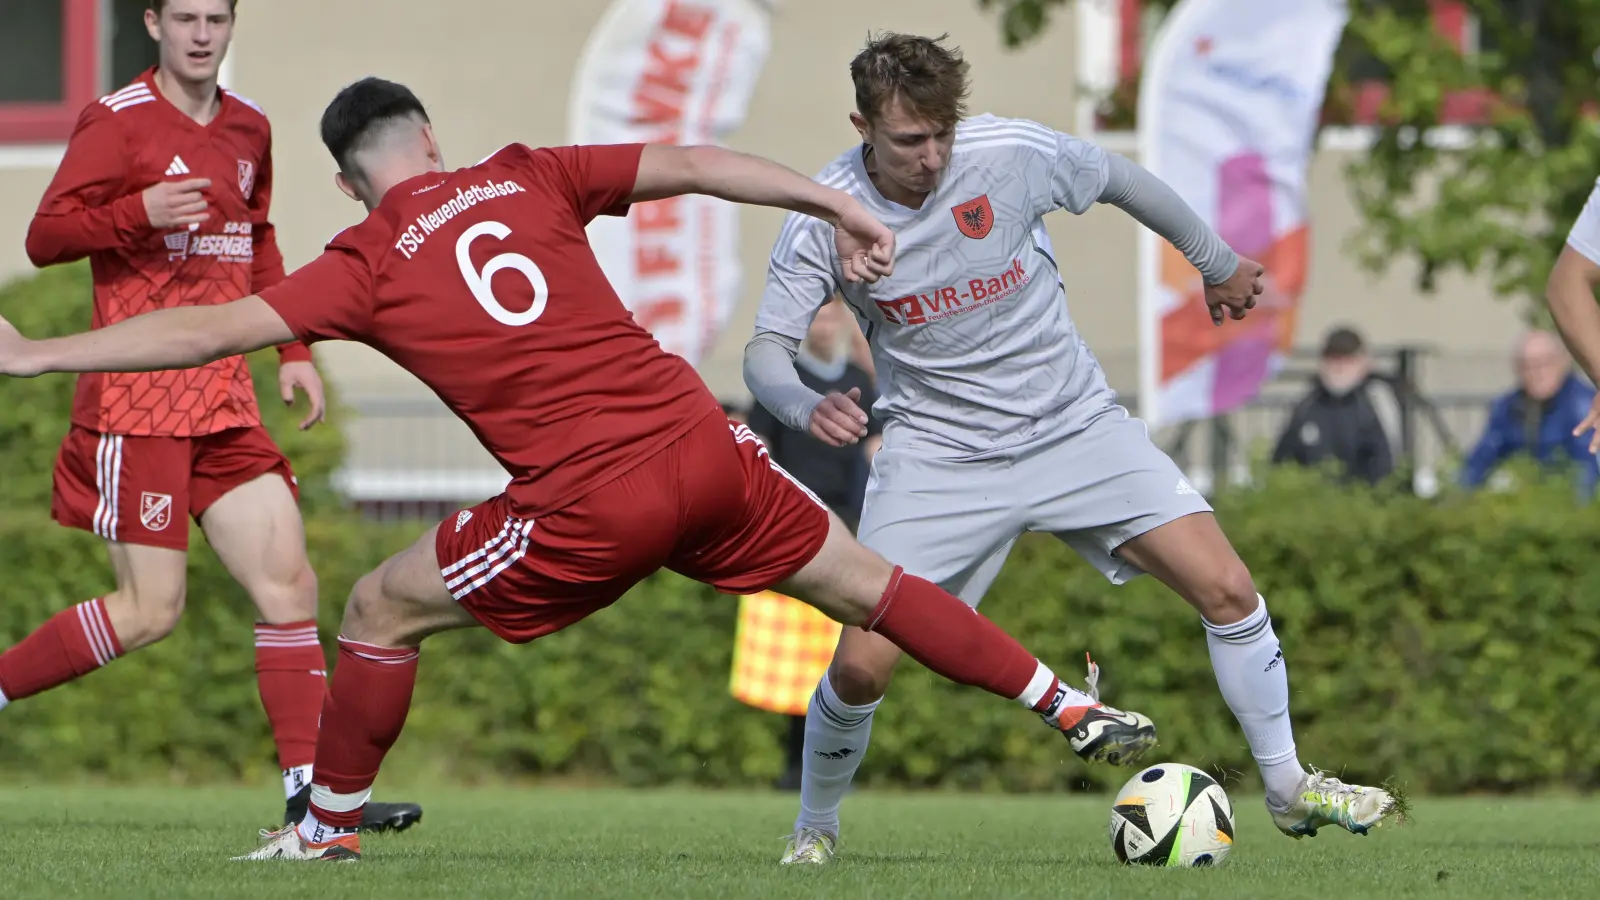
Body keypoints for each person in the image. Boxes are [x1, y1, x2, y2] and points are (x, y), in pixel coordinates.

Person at [0, 77, 1160, 863]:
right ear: (433, 143)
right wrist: (826, 198)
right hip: (705, 447)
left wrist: (42, 351)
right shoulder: (528, 171)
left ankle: (326, 830)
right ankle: (1063, 701)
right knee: (869, 585)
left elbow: (202, 332)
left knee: (373, 609)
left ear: (354, 184)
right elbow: (697, 163)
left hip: (591, 499)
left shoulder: (360, 259)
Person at [742, 32, 1401, 865]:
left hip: (1074, 425)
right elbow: (764, 349)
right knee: (863, 668)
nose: (934, 155)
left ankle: (1288, 787)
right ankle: (815, 828)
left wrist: (1216, 260)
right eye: (912, 139)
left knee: (1228, 588)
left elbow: (1120, 180)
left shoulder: (1009, 155)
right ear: (862, 125)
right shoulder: (826, 213)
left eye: (944, 131)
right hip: (941, 455)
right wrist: (804, 404)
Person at [6, 0, 419, 834]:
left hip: (224, 397)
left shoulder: (251, 129)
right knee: (151, 613)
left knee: (290, 586)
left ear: (231, 26)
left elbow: (258, 240)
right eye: (185, 17)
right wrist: (137, 215)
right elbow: (44, 238)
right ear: (153, 23)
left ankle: (309, 801)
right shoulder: (116, 121)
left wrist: (293, 352)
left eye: (217, 19)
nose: (202, 34)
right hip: (140, 398)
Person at [1459, 330, 1598, 497]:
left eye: (1544, 363)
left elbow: (1586, 472)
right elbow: (1480, 460)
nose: (1537, 373)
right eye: (1527, 365)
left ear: (1563, 362)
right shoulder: (1508, 407)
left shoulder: (1585, 406)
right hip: (1524, 501)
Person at [1272, 326, 1403, 485]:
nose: (1339, 367)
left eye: (1347, 359)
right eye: (1333, 358)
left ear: (1363, 362)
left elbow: (1388, 461)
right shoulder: (1307, 401)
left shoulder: (1376, 399)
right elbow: (1282, 459)